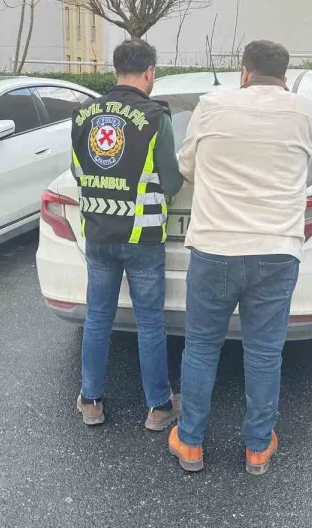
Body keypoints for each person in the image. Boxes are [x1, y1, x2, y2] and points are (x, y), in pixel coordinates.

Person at [168, 40, 312, 475]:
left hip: (215, 248)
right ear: (285, 77)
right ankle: (257, 447)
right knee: (263, 352)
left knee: (202, 347)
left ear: (244, 72)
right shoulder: (306, 112)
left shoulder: (211, 106)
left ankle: (190, 443)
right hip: (276, 250)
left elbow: (187, 166)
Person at [71, 38, 184, 431]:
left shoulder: (82, 116)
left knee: (97, 318)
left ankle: (91, 401)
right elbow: (171, 182)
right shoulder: (155, 117)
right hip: (143, 238)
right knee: (149, 323)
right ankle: (158, 407)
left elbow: (78, 172)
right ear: (150, 72)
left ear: (116, 69)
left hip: (98, 234)